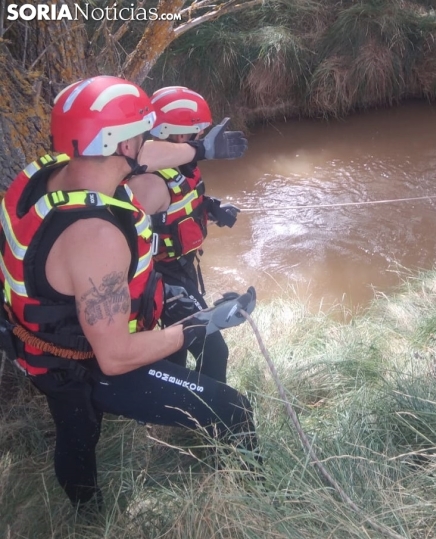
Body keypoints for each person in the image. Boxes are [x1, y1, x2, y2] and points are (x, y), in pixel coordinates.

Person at [0, 75, 259, 513]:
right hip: (86, 365)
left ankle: (87, 517)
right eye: (143, 132)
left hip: (42, 351)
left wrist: (198, 149)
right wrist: (203, 322)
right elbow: (116, 357)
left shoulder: (47, 171)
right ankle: (255, 498)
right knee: (232, 408)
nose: (150, 142)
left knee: (77, 434)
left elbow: (151, 153)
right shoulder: (95, 236)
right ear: (121, 145)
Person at [126, 86, 244, 383]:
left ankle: (172, 406)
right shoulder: (148, 181)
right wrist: (203, 149)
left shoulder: (179, 169)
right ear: (180, 136)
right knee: (214, 350)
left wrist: (210, 207)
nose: (200, 141)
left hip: (181, 270)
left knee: (174, 350)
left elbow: (177, 208)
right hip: (164, 279)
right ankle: (207, 417)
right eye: (197, 135)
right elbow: (143, 156)